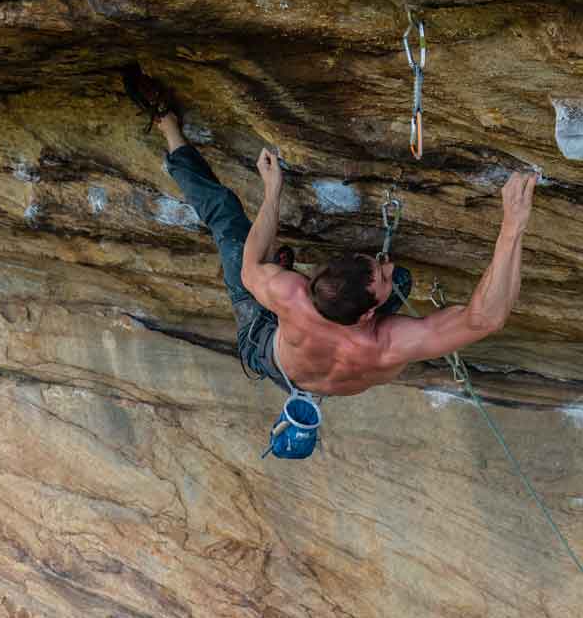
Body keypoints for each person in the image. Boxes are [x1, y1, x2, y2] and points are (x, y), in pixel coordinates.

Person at [123, 64, 536, 400]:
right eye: (380, 269)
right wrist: (511, 228)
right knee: (405, 281)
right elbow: (485, 319)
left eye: (379, 267)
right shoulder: (393, 343)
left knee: (231, 228)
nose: (386, 263)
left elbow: (251, 267)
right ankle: (168, 127)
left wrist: (273, 193)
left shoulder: (289, 294)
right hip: (321, 355)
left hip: (269, 349)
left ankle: (170, 130)